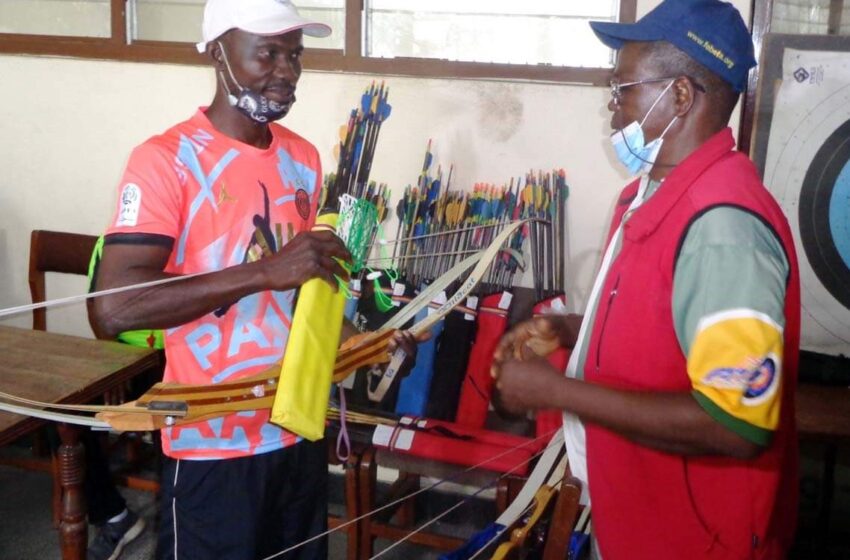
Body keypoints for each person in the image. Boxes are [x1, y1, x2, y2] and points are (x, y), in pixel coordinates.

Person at [89, 0, 414, 558]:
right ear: (218, 52)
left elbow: (310, 291)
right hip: (212, 444)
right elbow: (112, 310)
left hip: (296, 427)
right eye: (267, 52)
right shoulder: (166, 160)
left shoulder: (303, 159)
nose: (286, 70)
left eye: (294, 55)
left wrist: (363, 342)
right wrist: (265, 271)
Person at [492, 1, 800, 559]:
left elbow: (735, 423)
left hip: (696, 538)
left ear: (679, 95)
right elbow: (672, 331)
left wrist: (556, 391)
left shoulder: (723, 228)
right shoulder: (649, 198)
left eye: (622, 88)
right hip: (636, 517)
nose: (613, 111)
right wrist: (567, 329)